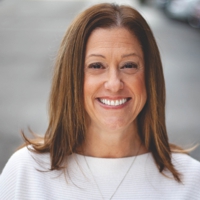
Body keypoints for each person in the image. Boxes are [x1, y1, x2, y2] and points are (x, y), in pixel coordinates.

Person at [0, 3, 200, 200]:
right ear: (71, 77)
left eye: (129, 65)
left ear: (150, 76)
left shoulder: (191, 181)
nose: (114, 83)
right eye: (96, 65)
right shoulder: (25, 173)